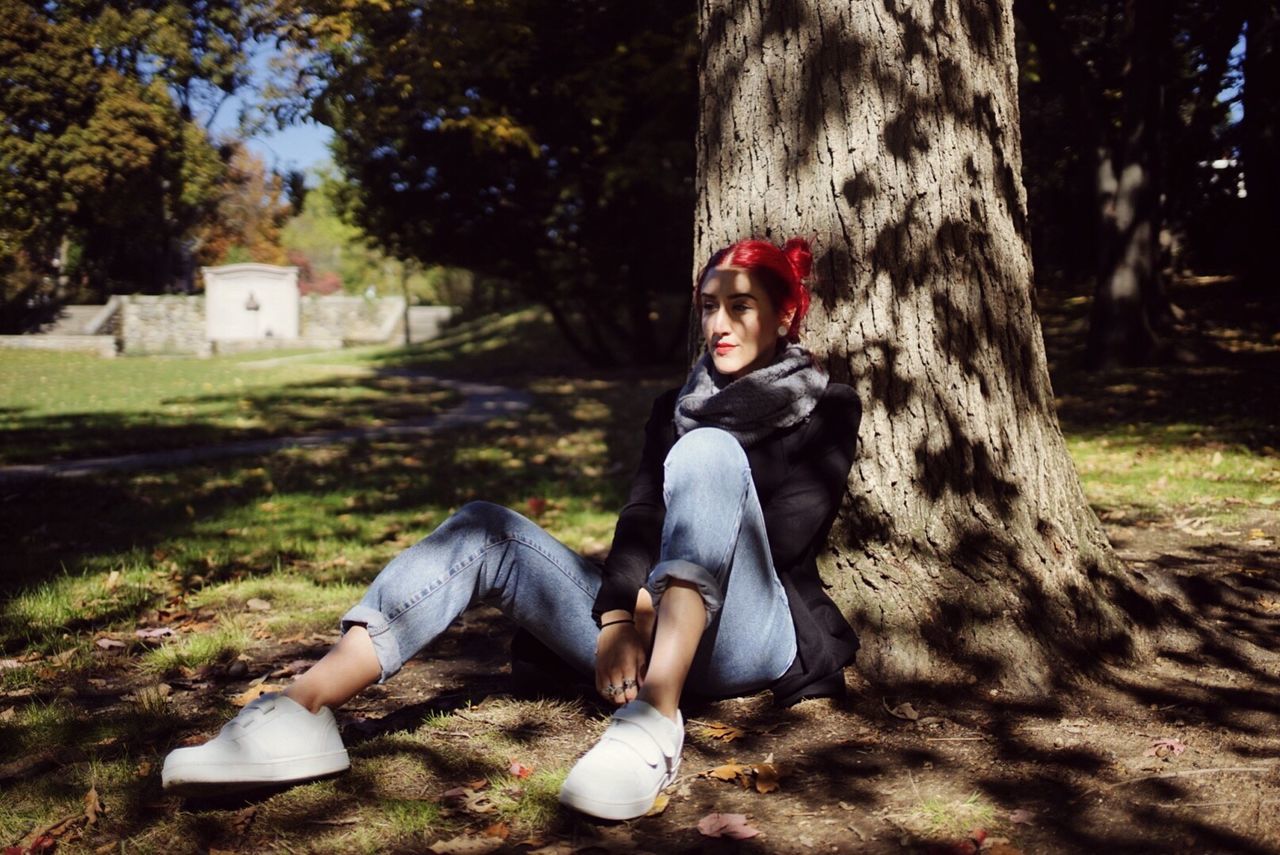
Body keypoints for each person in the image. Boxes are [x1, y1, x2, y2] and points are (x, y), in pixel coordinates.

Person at [161, 236, 862, 821]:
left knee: (708, 453)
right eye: (708, 306)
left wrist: (640, 609)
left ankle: (653, 724)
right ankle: (301, 707)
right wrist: (616, 614)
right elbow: (642, 514)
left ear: (783, 315)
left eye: (740, 306)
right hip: (645, 622)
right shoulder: (674, 404)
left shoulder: (827, 404)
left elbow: (787, 531)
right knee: (483, 528)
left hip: (748, 633)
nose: (719, 324)